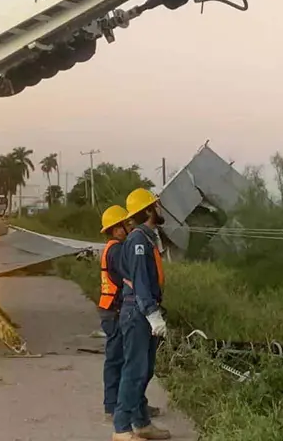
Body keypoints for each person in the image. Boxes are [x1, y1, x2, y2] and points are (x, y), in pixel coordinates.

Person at [111, 188, 170, 441]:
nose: (160, 208)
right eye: (157, 205)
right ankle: (122, 428)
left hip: (141, 308)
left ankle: (141, 422)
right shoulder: (137, 240)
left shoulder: (146, 238)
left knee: (144, 370)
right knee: (135, 370)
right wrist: (151, 313)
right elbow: (141, 280)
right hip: (138, 311)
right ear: (148, 210)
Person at [97, 205, 161, 422]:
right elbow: (134, 274)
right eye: (125, 224)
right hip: (115, 310)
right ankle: (114, 407)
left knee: (127, 361)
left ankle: (134, 406)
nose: (129, 226)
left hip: (113, 309)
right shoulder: (116, 250)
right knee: (120, 361)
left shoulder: (113, 248)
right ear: (116, 229)